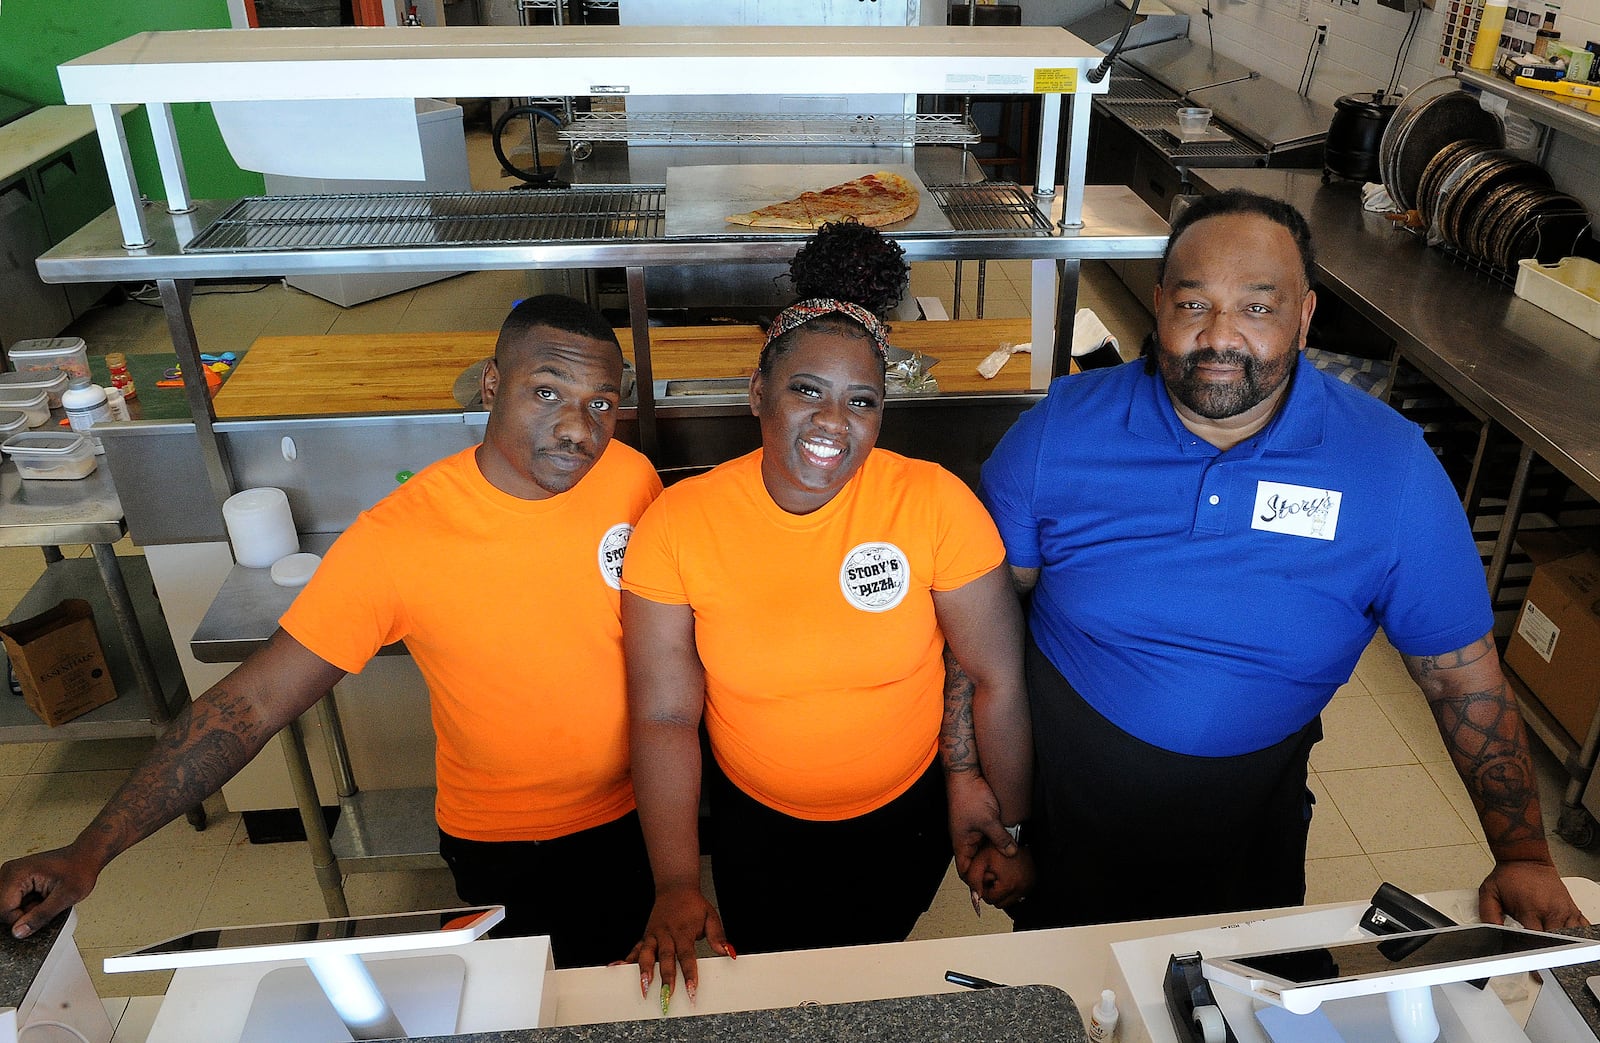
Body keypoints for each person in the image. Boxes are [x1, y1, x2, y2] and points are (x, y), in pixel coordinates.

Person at [974, 189, 1585, 931]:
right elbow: (984, 629)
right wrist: (983, 796)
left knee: (1234, 995)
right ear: (1160, 303)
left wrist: (1522, 853)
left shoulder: (1389, 468)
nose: (1220, 336)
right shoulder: (1058, 432)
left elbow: (1460, 677)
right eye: (1194, 305)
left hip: (1250, 817)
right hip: (1065, 803)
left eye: (1257, 308)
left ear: (1304, 317)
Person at [0, 295, 664, 968]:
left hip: (638, 811)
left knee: (623, 984)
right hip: (512, 843)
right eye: (546, 391)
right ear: (493, 385)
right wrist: (90, 849)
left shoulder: (629, 479)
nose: (578, 428)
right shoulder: (399, 539)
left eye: (600, 403)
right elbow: (250, 705)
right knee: (537, 997)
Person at [621, 222, 1032, 1002]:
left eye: (862, 401)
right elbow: (666, 714)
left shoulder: (935, 502)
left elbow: (992, 676)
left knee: (869, 970)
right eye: (807, 390)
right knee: (779, 981)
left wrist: (1006, 818)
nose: (833, 422)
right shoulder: (679, 523)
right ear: (757, 394)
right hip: (757, 829)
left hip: (904, 822)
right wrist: (677, 879)